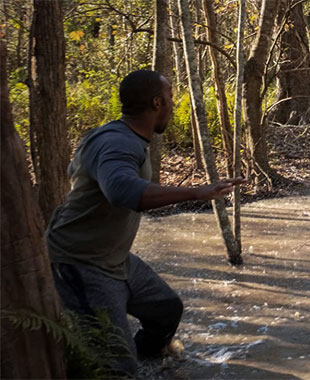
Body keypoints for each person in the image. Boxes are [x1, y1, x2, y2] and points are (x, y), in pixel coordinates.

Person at [46, 70, 247, 376]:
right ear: (156, 103)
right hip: (82, 264)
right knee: (116, 367)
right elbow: (122, 190)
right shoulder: (117, 143)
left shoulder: (126, 137)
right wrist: (195, 191)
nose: (173, 104)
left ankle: (151, 365)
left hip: (116, 259)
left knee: (166, 310)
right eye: (170, 98)